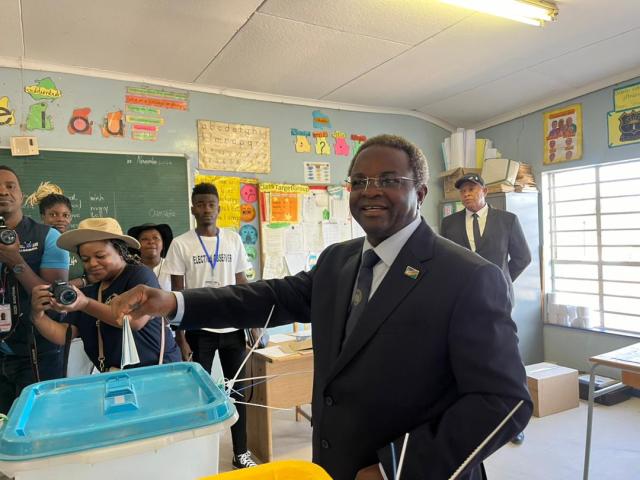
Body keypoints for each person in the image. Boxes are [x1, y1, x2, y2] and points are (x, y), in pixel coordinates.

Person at [111, 135, 533, 480]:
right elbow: (268, 297)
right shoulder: (339, 260)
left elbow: (504, 401)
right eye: (359, 181)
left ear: (420, 192)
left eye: (388, 179)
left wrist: (395, 469)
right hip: (335, 466)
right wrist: (174, 301)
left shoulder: (467, 276)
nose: (370, 191)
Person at [162, 183, 257, 469]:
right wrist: (181, 339)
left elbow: (243, 284)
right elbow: (177, 294)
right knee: (199, 396)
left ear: (218, 207)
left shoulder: (233, 240)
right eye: (200, 204)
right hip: (198, 331)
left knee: (237, 392)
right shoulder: (181, 244)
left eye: (211, 204)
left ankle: (241, 452)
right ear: (193, 208)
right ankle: (200, 455)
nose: (206, 209)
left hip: (233, 330)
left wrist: (252, 323)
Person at [440, 172, 532, 445]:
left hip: (498, 299)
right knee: (465, 355)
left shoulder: (507, 220)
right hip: (461, 300)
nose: (466, 194)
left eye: (471, 188)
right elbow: (444, 259)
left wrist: (501, 281)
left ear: (484, 191)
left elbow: (522, 257)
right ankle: (467, 416)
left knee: (504, 357)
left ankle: (514, 421)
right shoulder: (449, 223)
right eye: (462, 191)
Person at [30, 218, 180, 372]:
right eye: (85, 259)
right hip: (116, 376)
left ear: (121, 252)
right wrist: (38, 316)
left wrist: (86, 304)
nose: (92, 264)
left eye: (100, 256)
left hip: (158, 371)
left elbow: (134, 322)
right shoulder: (89, 291)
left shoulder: (139, 276)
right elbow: (64, 335)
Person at [0, 166, 70, 414]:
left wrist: (15, 261)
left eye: (10, 186)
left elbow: (54, 298)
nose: (3, 192)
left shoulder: (48, 236)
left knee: (41, 421)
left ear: (21, 195)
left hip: (37, 351)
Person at [127, 223, 173, 291]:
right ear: (137, 245)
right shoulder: (130, 270)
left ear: (163, 244)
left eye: (155, 238)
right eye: (144, 239)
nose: (151, 242)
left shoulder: (173, 267)